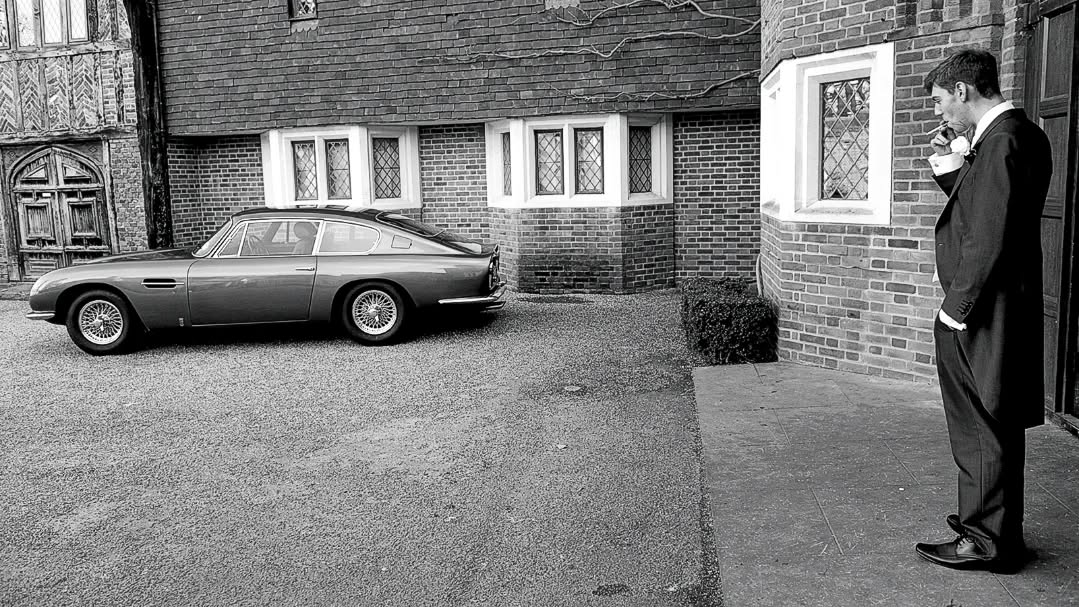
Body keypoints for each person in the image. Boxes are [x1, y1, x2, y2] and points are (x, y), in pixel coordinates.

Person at [917, 50, 1052, 571]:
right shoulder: (1018, 136)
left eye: (939, 101)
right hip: (1001, 306)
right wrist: (954, 164)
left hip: (982, 311)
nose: (938, 112)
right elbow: (985, 212)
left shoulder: (1000, 144)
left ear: (963, 91)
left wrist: (956, 310)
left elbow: (988, 237)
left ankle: (986, 541)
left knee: (979, 423)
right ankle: (992, 526)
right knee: (992, 420)